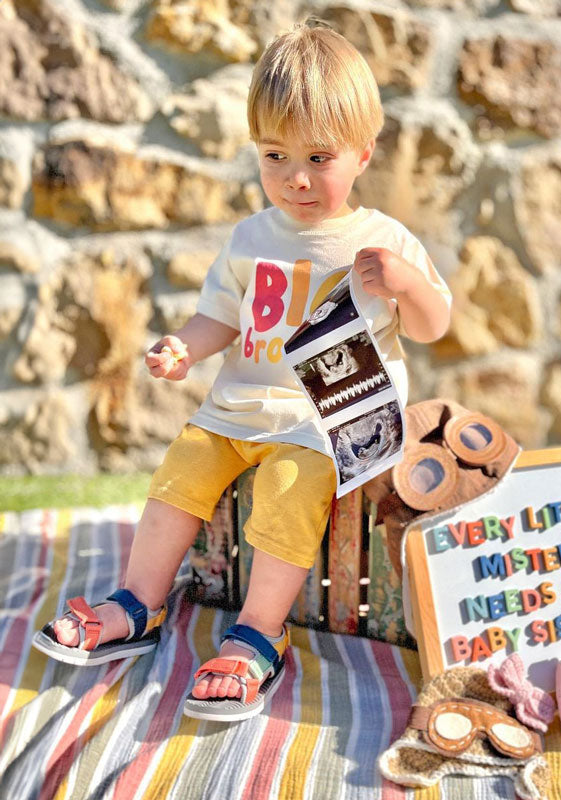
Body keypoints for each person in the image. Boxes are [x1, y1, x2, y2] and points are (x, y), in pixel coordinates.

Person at [32, 20, 452, 722]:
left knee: (287, 493)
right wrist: (184, 348)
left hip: (322, 423)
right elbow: (221, 317)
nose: (295, 177)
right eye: (274, 155)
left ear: (364, 152)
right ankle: (139, 602)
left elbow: (435, 325)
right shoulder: (252, 237)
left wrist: (406, 283)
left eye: (319, 157)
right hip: (238, 408)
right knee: (182, 471)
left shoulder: (380, 240)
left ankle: (257, 632)